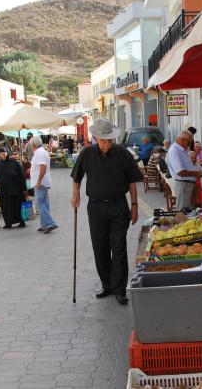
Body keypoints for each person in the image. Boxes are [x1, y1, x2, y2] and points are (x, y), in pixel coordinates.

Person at [70, 118, 143, 305]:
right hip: (95, 207)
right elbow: (76, 177)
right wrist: (75, 195)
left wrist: (134, 206)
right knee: (100, 247)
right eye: (104, 140)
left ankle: (120, 289)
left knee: (118, 247)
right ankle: (107, 285)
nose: (108, 143)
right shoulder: (86, 154)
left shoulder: (122, 154)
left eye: (110, 139)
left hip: (118, 206)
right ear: (96, 138)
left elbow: (132, 182)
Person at [166, 131, 202, 210]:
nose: (189, 145)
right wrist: (196, 173)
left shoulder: (181, 150)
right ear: (183, 140)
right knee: (183, 211)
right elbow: (180, 172)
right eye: (189, 142)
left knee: (187, 210)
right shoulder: (175, 150)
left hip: (186, 185)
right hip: (183, 185)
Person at [30, 136, 58, 233]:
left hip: (41, 182)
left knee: (39, 203)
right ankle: (44, 225)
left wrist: (38, 181)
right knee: (44, 203)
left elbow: (43, 166)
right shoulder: (43, 152)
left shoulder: (38, 153)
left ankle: (50, 223)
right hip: (44, 181)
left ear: (33, 145)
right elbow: (41, 166)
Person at [0, 148, 27, 229]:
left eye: (4, 153)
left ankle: (21, 222)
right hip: (4, 190)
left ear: (7, 153)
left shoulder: (14, 162)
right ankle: (8, 223)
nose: (3, 155)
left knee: (17, 205)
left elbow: (22, 175)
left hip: (15, 189)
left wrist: (24, 188)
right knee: (6, 207)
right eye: (1, 154)